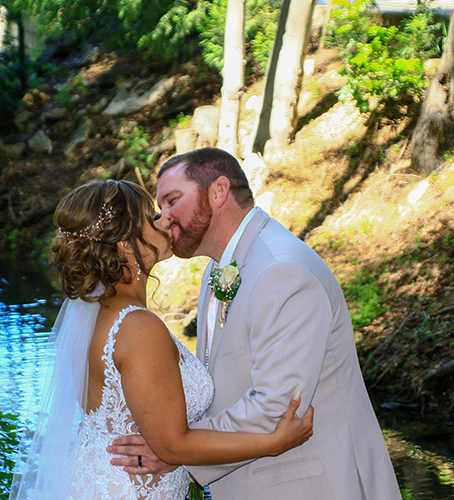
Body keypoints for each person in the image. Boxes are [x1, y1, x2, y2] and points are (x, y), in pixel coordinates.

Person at [109, 148, 402, 500]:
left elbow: (277, 408)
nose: (163, 218)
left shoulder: (281, 271)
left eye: (172, 201)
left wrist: (176, 450)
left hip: (311, 486)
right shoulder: (219, 269)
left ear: (218, 192)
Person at [9, 179, 313, 500]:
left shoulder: (97, 315)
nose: (166, 219)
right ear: (126, 243)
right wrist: (273, 442)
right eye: (153, 217)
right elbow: (173, 444)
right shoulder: (139, 327)